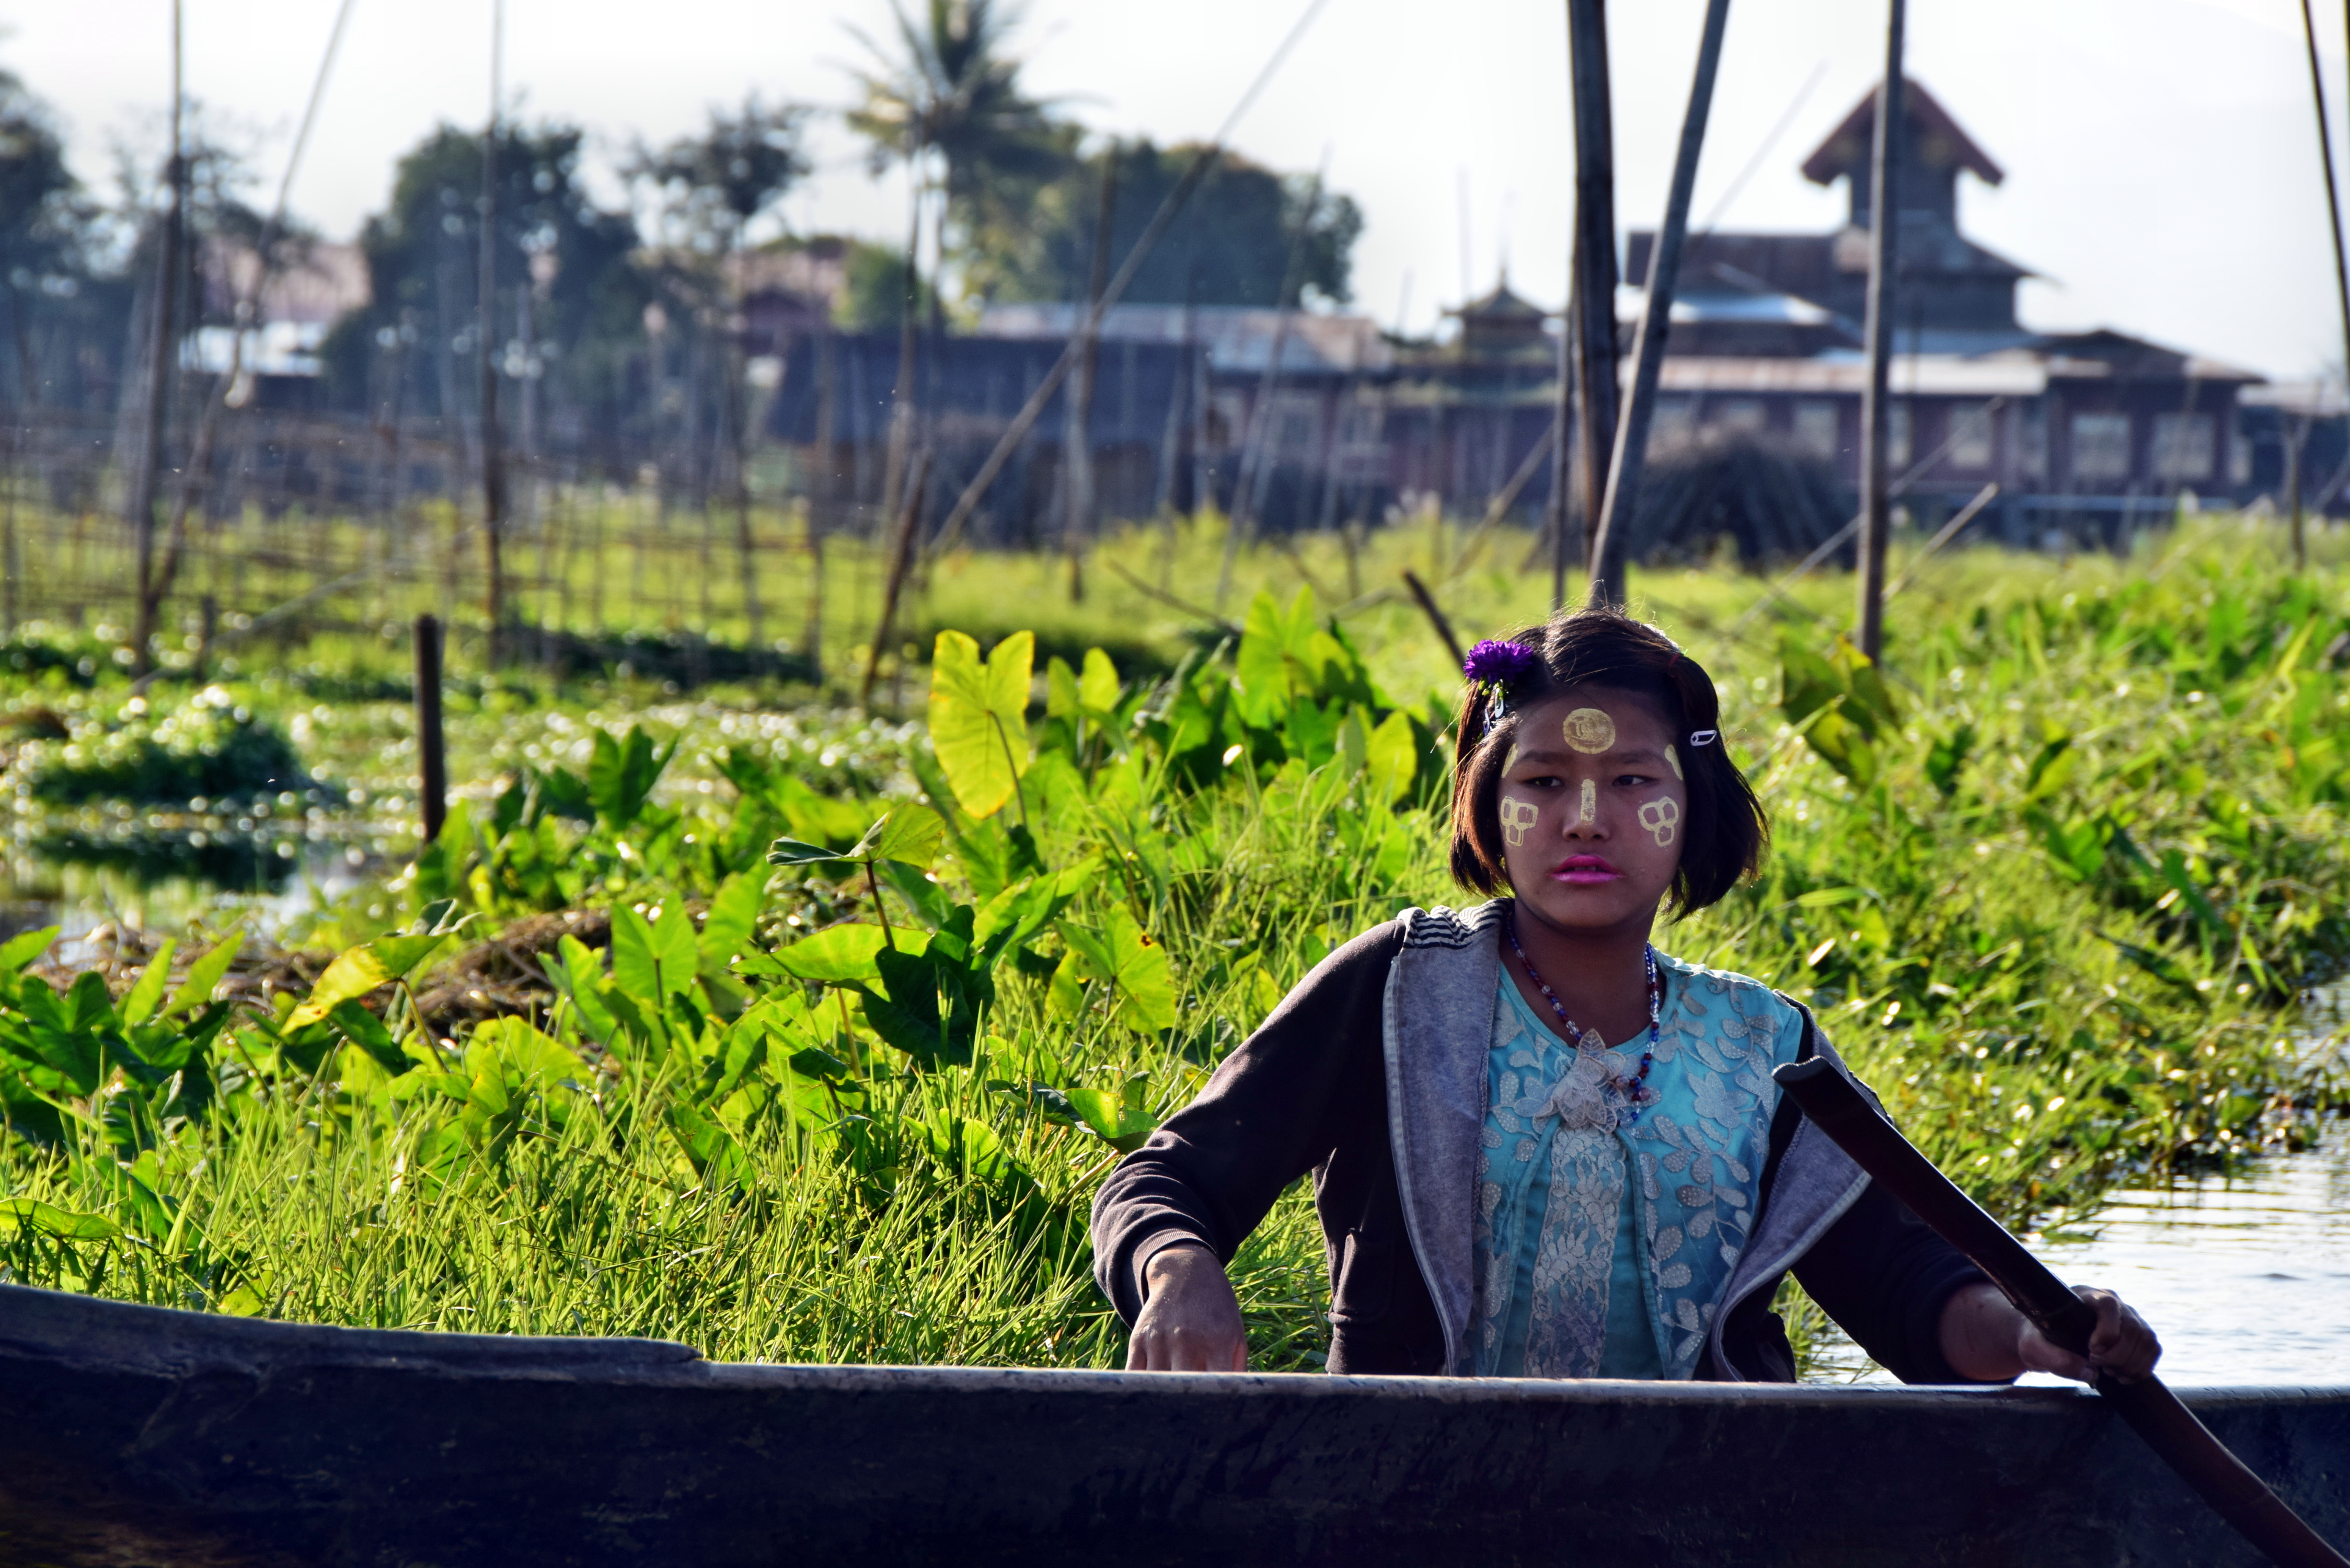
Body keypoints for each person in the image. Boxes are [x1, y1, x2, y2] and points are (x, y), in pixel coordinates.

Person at [1091, 607, 2159, 1386]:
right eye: (1543, 782)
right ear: (1488, 805)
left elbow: (1910, 1288)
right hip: (1412, 1502)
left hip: (1701, 1517)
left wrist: (2037, 1334)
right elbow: (1166, 1179)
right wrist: (1178, 1269)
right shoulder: (1400, 992)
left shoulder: (1766, 1045)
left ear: (1690, 809)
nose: (1587, 819)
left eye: (1634, 781)